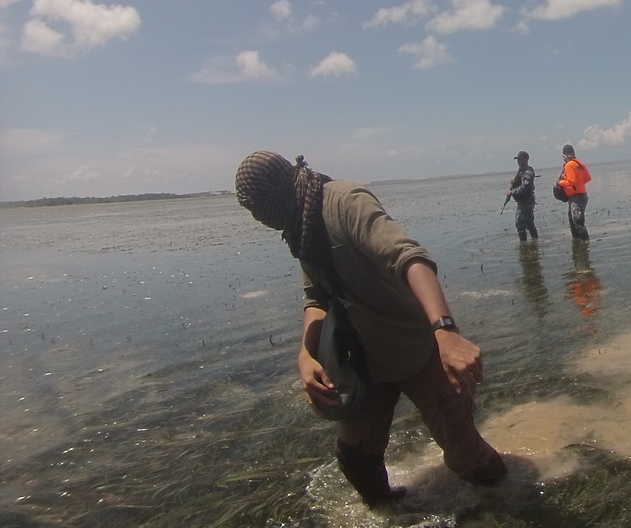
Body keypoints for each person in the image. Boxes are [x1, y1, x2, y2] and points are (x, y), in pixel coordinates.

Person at [234, 151, 506, 507]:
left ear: (279, 192)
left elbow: (410, 258)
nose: (260, 219)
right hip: (364, 361)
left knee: (467, 457)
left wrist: (445, 331)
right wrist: (305, 354)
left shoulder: (344, 203)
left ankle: (506, 500)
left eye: (260, 209)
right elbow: (316, 296)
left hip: (418, 348)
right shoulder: (300, 226)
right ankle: (392, 515)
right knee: (354, 457)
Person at [557, 144, 591, 241]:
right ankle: (578, 246)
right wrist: (580, 184)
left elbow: (571, 181)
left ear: (564, 155)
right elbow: (588, 178)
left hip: (576, 197)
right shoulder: (580, 164)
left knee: (577, 223)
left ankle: (584, 244)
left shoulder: (569, 165)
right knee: (574, 221)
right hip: (582, 195)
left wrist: (560, 182)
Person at [506, 151, 537, 241]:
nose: (518, 161)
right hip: (523, 201)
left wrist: (512, 192)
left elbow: (524, 188)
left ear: (526, 159)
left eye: (520, 159)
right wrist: (515, 182)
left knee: (519, 223)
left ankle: (524, 244)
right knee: (529, 222)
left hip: (526, 201)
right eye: (518, 159)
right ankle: (535, 240)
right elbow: (520, 183)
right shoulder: (521, 171)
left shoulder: (528, 173)